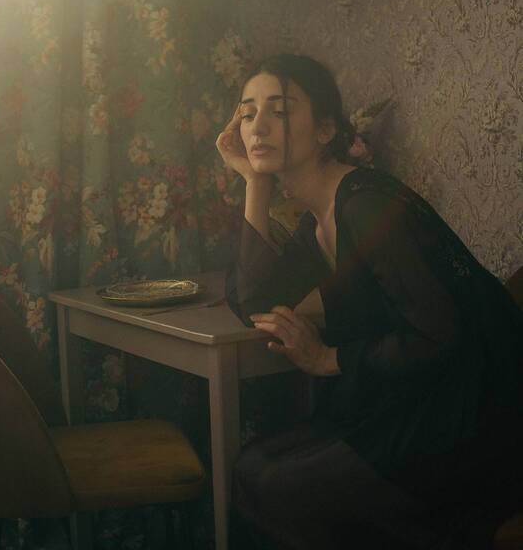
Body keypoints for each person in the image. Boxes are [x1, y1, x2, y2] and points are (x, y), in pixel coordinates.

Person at [215, 53, 523, 550]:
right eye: (248, 113)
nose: (257, 126)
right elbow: (258, 306)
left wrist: (328, 358)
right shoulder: (317, 219)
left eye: (280, 110)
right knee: (251, 466)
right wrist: (254, 183)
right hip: (409, 400)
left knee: (278, 485)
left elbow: (440, 334)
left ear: (325, 130)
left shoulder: (366, 205)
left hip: (476, 414)